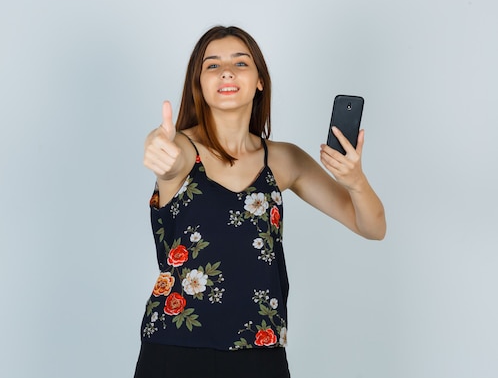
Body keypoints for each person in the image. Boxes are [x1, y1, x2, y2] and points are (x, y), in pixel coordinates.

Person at [134, 25, 386, 378]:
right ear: (199, 84)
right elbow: (166, 155)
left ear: (259, 81)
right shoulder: (180, 149)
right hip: (175, 348)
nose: (226, 72)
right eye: (212, 65)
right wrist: (157, 148)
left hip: (260, 352)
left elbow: (373, 227)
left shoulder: (284, 160)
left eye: (240, 63)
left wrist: (355, 180)